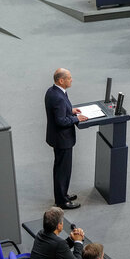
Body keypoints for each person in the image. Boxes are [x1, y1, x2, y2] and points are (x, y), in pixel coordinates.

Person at [45, 69, 88, 210]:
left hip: (57, 138)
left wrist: (71, 110)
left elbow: (61, 110)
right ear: (61, 80)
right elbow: (61, 121)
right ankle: (62, 201)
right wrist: (76, 118)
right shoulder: (58, 96)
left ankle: (62, 195)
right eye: (69, 78)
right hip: (62, 140)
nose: (71, 80)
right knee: (63, 171)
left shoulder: (53, 91)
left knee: (60, 169)